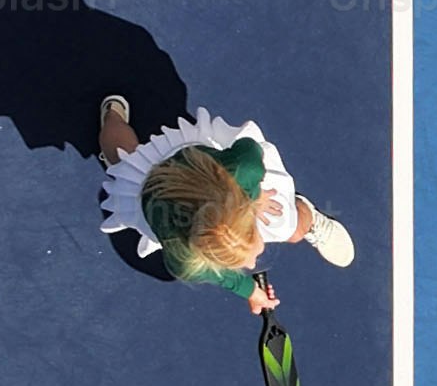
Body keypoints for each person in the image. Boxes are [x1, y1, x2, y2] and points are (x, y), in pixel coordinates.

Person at [97, 95, 354, 317]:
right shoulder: (185, 261)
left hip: (174, 175)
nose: (253, 265)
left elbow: (249, 148)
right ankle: (112, 117)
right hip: (156, 182)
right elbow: (216, 272)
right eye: (250, 258)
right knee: (292, 231)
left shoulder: (244, 171)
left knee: (121, 156)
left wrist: (252, 194)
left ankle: (112, 117)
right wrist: (251, 291)